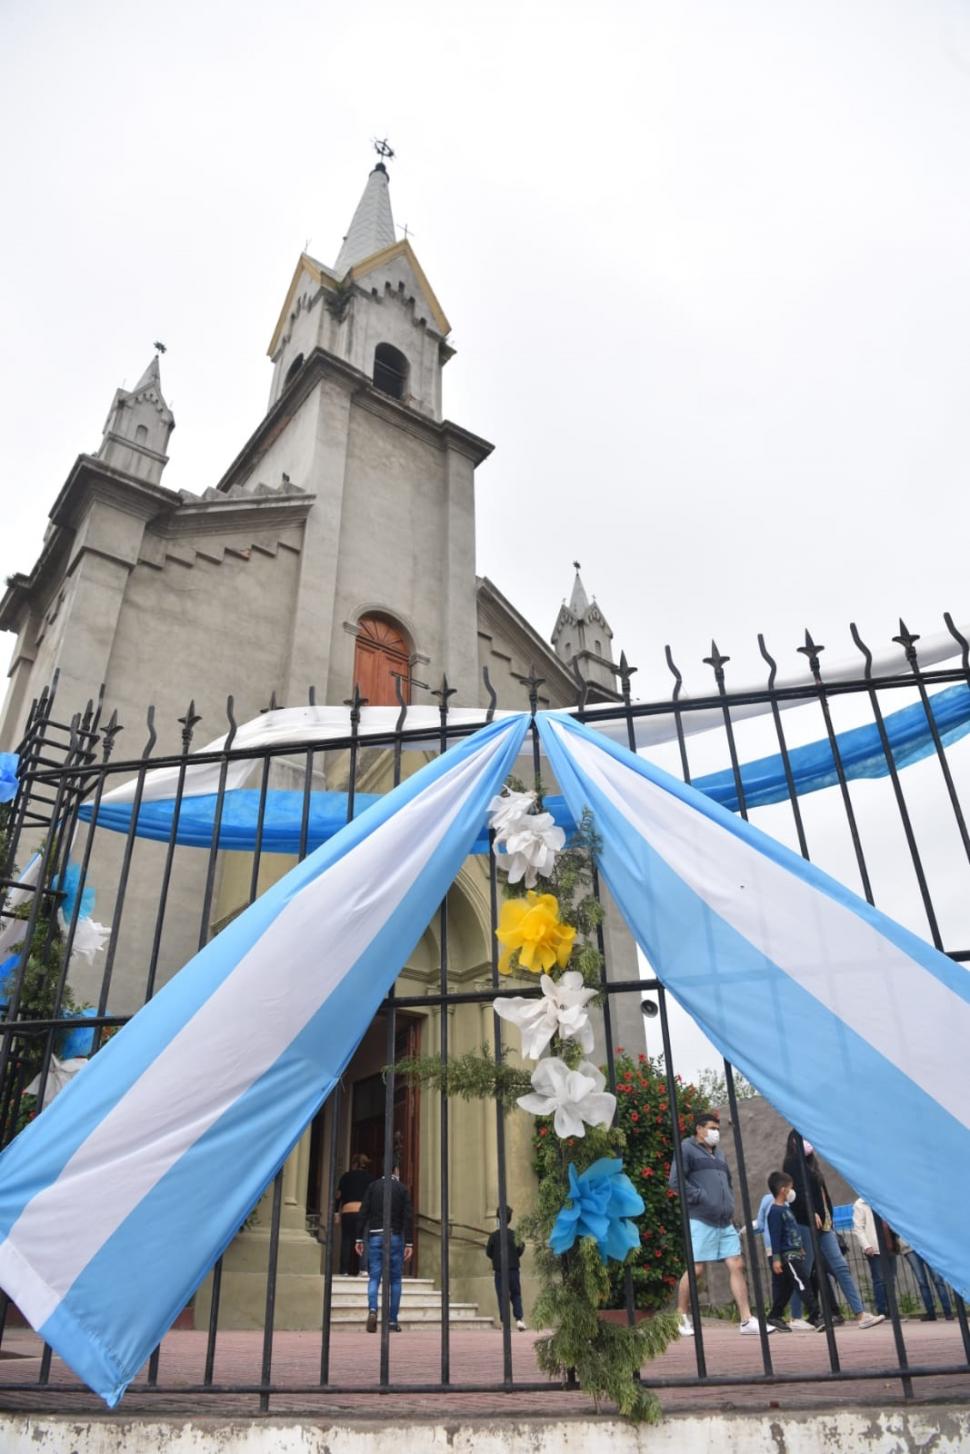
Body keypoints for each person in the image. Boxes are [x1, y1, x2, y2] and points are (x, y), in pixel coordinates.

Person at [668, 1111, 772, 1337]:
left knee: (736, 1264)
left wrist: (729, 1203)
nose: (716, 1132)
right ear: (699, 1128)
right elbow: (675, 1182)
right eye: (711, 1128)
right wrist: (701, 1197)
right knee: (696, 1268)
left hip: (724, 1220)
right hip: (701, 1218)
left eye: (717, 1128)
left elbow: (728, 1183)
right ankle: (679, 1317)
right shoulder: (686, 1148)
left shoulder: (720, 1155)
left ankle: (746, 1320)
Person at [782, 1130, 883, 1330]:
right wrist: (811, 1211)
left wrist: (828, 1215)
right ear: (794, 1141)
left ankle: (861, 1314)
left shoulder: (813, 1165)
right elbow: (795, 1194)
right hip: (805, 1222)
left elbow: (821, 1193)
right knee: (803, 1269)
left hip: (825, 1225)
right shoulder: (792, 1164)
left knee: (841, 1267)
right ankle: (795, 1317)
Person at [356, 1163, 413, 1333]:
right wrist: (409, 1242)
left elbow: (363, 1212)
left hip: (375, 1236)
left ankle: (373, 1310)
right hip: (394, 1236)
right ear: (396, 1170)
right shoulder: (401, 1189)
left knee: (374, 1277)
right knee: (395, 1280)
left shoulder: (373, 1187)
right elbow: (407, 1216)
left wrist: (359, 1238)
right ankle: (392, 1320)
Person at [765, 1171, 822, 1331]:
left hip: (795, 1253)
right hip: (787, 1256)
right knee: (802, 1282)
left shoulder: (787, 1209)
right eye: (790, 1188)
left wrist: (801, 1248)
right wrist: (776, 1258)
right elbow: (775, 1237)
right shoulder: (775, 1212)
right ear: (783, 1190)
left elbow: (793, 1230)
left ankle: (774, 1316)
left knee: (787, 1287)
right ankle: (815, 1314)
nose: (792, 1191)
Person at [852, 1197, 899, 1318]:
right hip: (875, 1247)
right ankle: (883, 1310)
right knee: (879, 1280)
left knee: (891, 1279)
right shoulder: (860, 1204)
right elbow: (858, 1228)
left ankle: (893, 1309)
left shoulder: (882, 1199)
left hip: (889, 1244)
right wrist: (866, 1246)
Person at [485, 1206, 527, 1331]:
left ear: (498, 1218)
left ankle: (505, 1322)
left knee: (502, 1295)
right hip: (513, 1268)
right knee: (516, 1294)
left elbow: (488, 1252)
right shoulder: (515, 1235)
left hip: (499, 1270)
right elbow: (520, 1248)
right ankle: (519, 1319)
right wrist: (514, 1256)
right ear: (510, 1219)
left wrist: (496, 1258)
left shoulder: (493, 1236)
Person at [335, 1153, 373, 1276]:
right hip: (362, 1211)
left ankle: (344, 1270)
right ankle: (363, 1269)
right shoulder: (370, 1178)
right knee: (364, 1239)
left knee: (346, 1240)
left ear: (354, 1164)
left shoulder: (345, 1176)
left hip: (347, 1210)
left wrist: (336, 1212)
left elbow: (338, 1196)